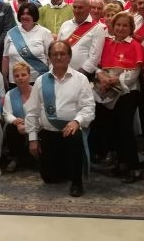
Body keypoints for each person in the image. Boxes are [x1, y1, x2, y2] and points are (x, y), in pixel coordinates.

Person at [26, 40, 96, 197]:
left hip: (70, 131)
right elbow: (32, 111)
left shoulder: (80, 79)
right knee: (50, 178)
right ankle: (65, 167)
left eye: (62, 54)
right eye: (54, 54)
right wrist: (32, 139)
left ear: (69, 57)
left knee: (74, 136)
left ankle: (77, 182)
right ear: (49, 57)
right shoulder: (41, 81)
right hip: (49, 133)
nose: (58, 57)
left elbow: (89, 108)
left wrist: (77, 121)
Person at [95, 12, 144, 183]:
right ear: (113, 26)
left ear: (131, 28)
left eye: (125, 25)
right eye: (118, 25)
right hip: (106, 91)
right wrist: (102, 77)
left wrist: (115, 80)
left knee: (125, 129)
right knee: (112, 128)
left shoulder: (135, 45)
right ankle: (121, 162)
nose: (121, 28)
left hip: (127, 92)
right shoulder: (106, 43)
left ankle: (134, 167)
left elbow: (134, 73)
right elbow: (98, 65)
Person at [57, 0, 106, 80]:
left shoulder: (98, 28)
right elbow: (57, 48)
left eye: (80, 8)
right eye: (74, 7)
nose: (76, 10)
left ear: (89, 8)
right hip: (60, 73)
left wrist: (78, 76)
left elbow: (95, 58)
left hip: (82, 76)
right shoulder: (65, 25)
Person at [3, 3, 53, 86]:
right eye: (22, 14)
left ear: (34, 16)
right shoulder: (11, 33)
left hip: (39, 80)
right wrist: (4, 77)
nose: (25, 16)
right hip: (16, 80)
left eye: (28, 14)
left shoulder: (45, 32)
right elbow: (5, 57)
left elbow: (51, 58)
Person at [2, 62, 33, 172]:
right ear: (13, 79)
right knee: (10, 128)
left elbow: (41, 112)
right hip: (18, 127)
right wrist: (16, 121)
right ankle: (15, 157)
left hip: (35, 125)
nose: (20, 78)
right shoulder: (10, 94)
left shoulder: (37, 92)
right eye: (17, 76)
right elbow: (7, 113)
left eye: (23, 75)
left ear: (29, 76)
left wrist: (29, 124)